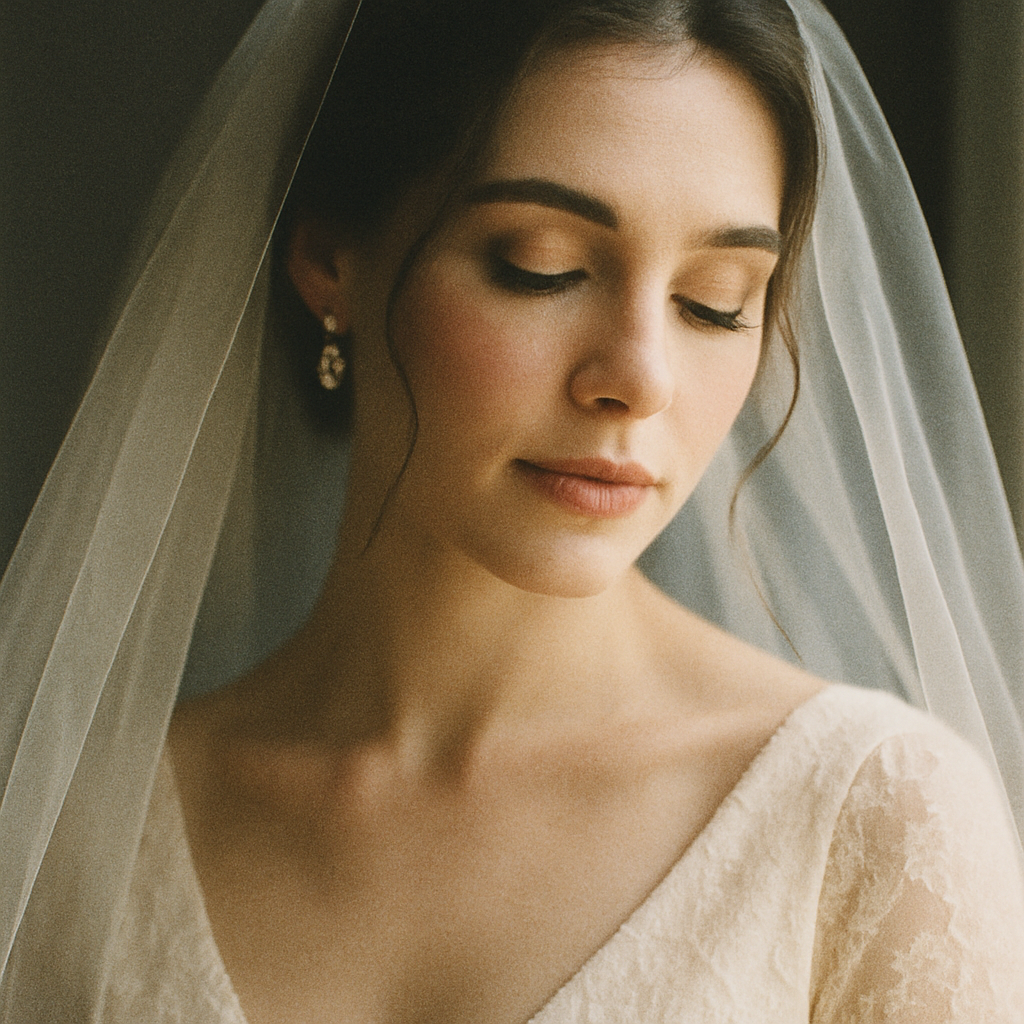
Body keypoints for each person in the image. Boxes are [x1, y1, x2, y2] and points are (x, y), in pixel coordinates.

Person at [0, 0, 1022, 1021]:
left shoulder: (876, 825)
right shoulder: (71, 839)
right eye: (541, 266)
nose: (639, 377)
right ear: (330, 264)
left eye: (715, 299)